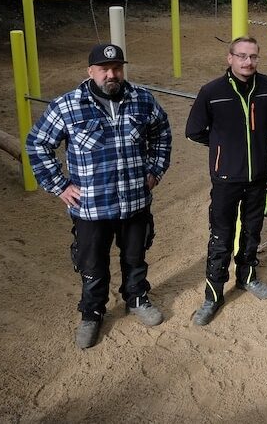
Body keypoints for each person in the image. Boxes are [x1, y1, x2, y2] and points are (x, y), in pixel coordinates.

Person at [26, 43, 172, 349]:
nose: (111, 74)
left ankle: (137, 299)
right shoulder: (67, 106)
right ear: (90, 71)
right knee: (92, 263)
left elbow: (162, 132)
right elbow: (38, 143)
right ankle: (91, 313)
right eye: (104, 69)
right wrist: (59, 185)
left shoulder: (142, 100)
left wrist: (155, 171)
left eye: (117, 68)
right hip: (90, 206)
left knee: (135, 257)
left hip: (135, 201)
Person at [185, 37, 267, 326]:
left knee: (253, 230)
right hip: (226, 178)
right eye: (241, 56)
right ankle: (213, 294)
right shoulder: (212, 92)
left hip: (258, 176)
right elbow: (194, 131)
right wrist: (222, 147)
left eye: (253, 56)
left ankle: (247, 277)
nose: (247, 62)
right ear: (229, 58)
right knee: (221, 236)